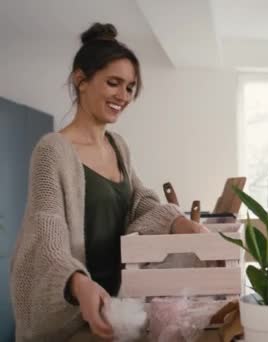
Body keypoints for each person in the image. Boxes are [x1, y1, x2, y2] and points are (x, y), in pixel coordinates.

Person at [10, 23, 208, 341]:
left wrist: (178, 221)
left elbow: (139, 202)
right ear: (81, 80)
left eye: (130, 87)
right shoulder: (53, 150)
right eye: (113, 83)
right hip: (72, 316)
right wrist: (79, 283)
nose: (123, 96)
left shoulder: (118, 146)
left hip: (115, 307)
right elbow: (46, 233)